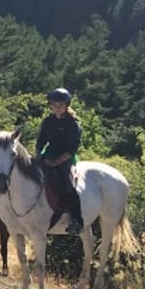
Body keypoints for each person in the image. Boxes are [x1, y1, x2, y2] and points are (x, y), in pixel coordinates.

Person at [37, 87, 84, 235]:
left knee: (67, 183)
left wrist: (55, 163)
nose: (57, 108)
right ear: (51, 105)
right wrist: (38, 154)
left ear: (66, 106)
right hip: (48, 154)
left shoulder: (73, 124)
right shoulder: (47, 121)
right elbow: (41, 141)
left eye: (61, 105)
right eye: (55, 105)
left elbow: (71, 150)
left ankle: (77, 220)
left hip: (65, 158)